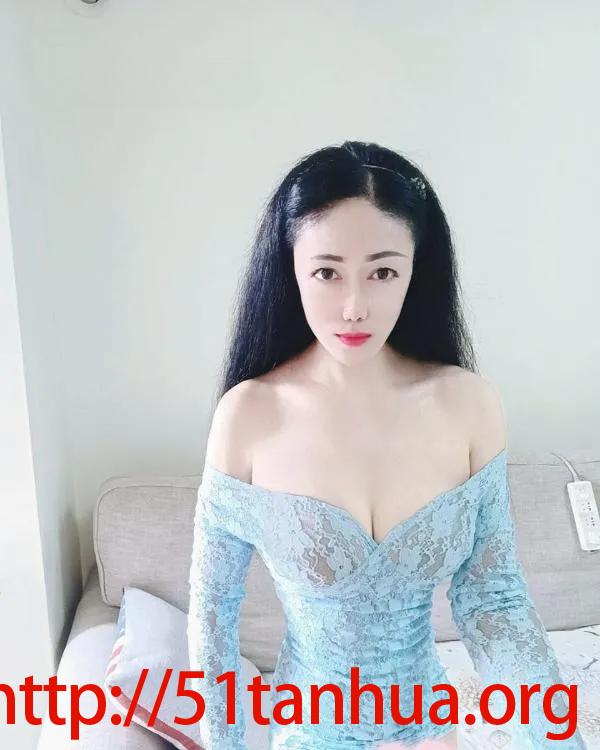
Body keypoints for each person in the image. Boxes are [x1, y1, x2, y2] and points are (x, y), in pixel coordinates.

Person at [187, 141, 588, 749]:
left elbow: (494, 601)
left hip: (428, 731)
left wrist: (556, 742)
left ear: (415, 270)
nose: (354, 307)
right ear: (290, 268)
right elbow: (213, 615)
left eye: (382, 272)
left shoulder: (468, 405)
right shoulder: (249, 416)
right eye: (327, 272)